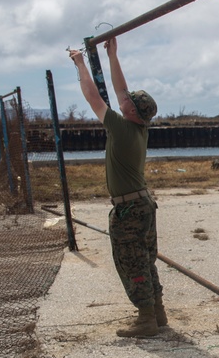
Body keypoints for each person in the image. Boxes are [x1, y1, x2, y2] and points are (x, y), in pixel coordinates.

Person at [69, 37, 164, 338]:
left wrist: (81, 64)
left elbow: (92, 97)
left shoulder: (122, 128)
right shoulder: (139, 126)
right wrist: (113, 55)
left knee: (131, 260)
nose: (123, 97)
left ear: (132, 111)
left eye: (128, 100)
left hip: (130, 209)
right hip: (143, 205)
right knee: (145, 258)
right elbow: (121, 90)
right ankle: (157, 312)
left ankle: (147, 319)